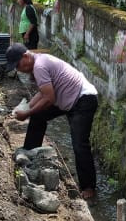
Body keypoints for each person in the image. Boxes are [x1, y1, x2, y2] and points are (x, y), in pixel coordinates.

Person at [6, 43, 98, 200]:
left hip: (82, 99)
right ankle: (29, 153)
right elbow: (42, 94)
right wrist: (25, 108)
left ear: (26, 57)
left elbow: (49, 98)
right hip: (67, 98)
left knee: (79, 144)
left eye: (18, 65)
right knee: (38, 115)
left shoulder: (39, 66)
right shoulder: (38, 63)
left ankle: (89, 187)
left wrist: (27, 113)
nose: (18, 69)